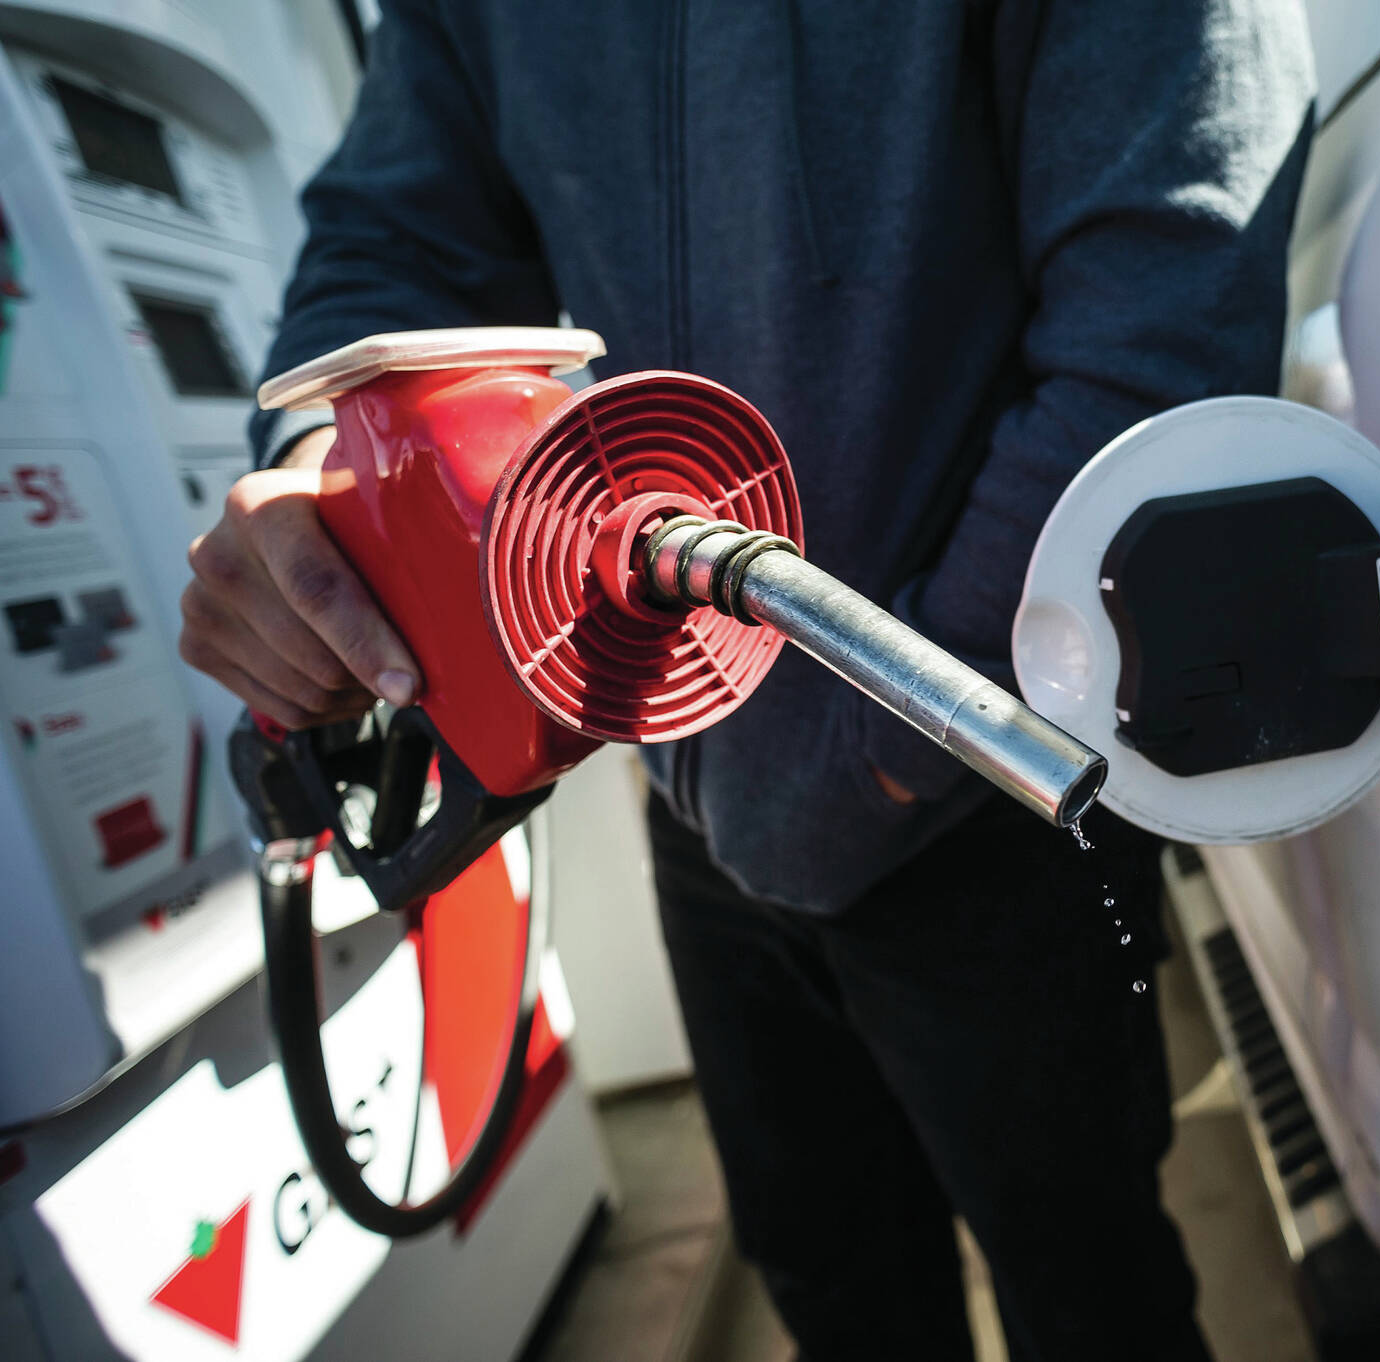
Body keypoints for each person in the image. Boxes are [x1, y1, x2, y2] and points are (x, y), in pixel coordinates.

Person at [179, 3, 1313, 1357]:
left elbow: (1163, 326)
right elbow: (395, 249)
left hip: (985, 792)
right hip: (698, 806)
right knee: (831, 1279)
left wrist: (881, 751)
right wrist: (326, 475)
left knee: (1089, 1284)